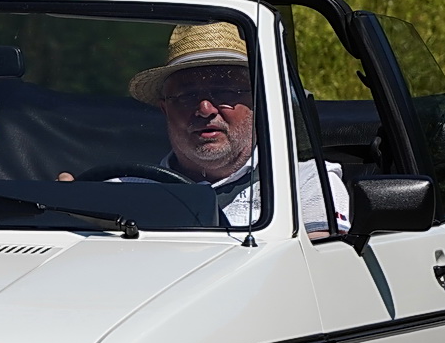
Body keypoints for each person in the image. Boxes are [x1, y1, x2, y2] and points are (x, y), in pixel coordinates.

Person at [59, 22, 349, 234]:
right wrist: (69, 209)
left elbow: (318, 273)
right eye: (186, 96)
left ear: (258, 103)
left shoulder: (305, 182)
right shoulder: (121, 192)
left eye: (225, 92)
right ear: (165, 109)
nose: (205, 109)